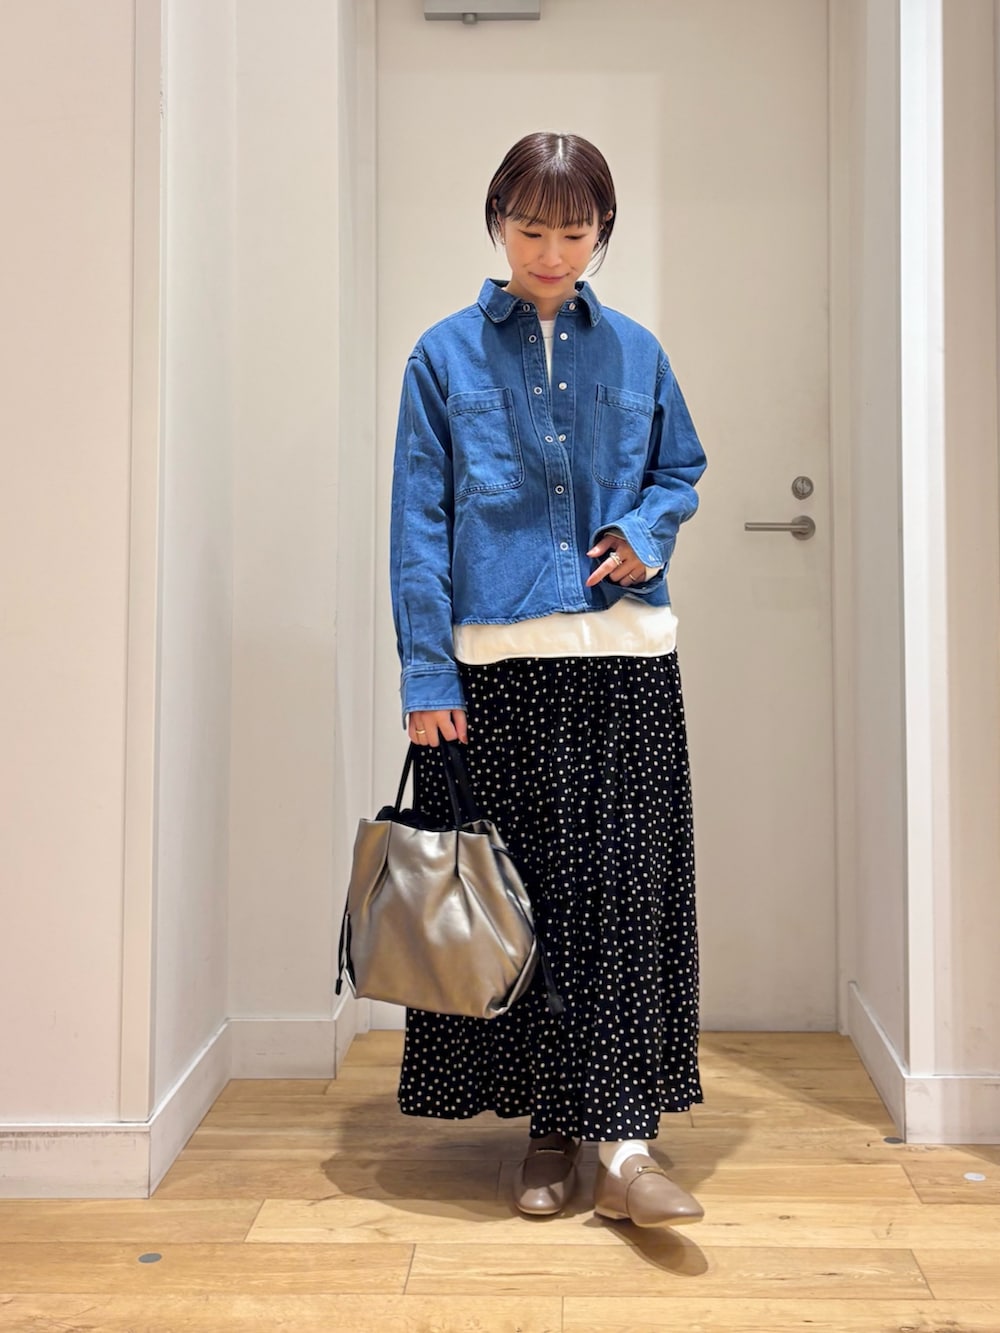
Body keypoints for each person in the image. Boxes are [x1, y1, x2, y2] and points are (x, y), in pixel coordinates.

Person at [389, 131, 707, 1227]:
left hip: (625, 667)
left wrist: (646, 532)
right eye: (532, 230)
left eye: (575, 233)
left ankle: (625, 1144)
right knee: (520, 907)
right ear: (498, 224)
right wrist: (426, 673)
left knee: (622, 899)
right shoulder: (441, 357)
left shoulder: (638, 353)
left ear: (603, 233)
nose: (552, 253)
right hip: (497, 675)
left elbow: (680, 469)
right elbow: (418, 525)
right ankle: (548, 1130)